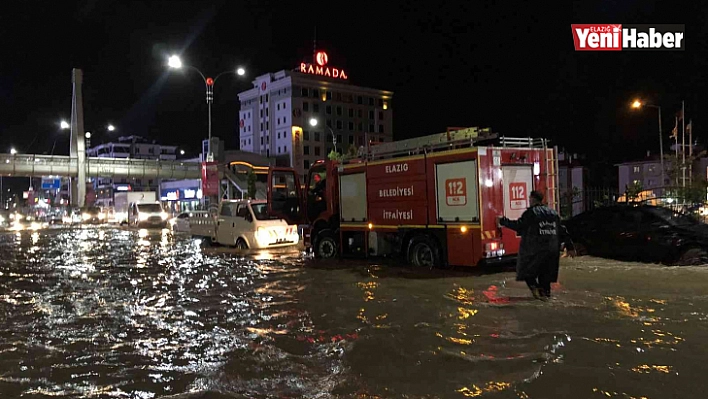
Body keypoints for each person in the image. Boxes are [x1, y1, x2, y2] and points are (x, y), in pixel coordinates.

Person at [498, 190, 574, 300]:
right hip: (552, 251)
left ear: (532, 199)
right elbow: (563, 231)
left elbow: (519, 226)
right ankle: (545, 297)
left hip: (535, 250)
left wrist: (503, 221)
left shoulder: (531, 213)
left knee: (527, 273)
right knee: (546, 278)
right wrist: (570, 247)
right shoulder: (553, 213)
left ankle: (537, 291)